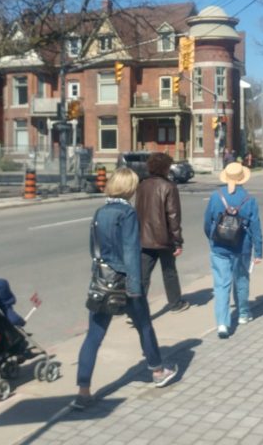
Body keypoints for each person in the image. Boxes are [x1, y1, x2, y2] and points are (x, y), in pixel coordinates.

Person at [73, 168, 179, 410]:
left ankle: (83, 391)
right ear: (129, 188)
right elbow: (132, 252)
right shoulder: (127, 213)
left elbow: (94, 249)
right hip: (124, 281)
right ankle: (158, 371)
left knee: (93, 336)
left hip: (102, 280)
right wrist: (135, 287)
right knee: (144, 326)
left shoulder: (100, 212)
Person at [203, 162, 263, 339]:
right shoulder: (249, 199)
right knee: (242, 279)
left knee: (221, 285)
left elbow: (208, 222)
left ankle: (222, 323)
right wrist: (258, 252)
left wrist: (212, 238)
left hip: (219, 247)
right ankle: (243, 313)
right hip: (242, 246)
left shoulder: (216, 196)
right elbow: (256, 228)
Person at [135, 152, 190, 314]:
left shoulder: (142, 185)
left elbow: (138, 211)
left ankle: (136, 309)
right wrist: (178, 240)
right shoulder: (169, 187)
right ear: (166, 168)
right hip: (164, 238)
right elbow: (173, 216)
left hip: (144, 237)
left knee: (143, 276)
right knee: (169, 272)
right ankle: (175, 303)